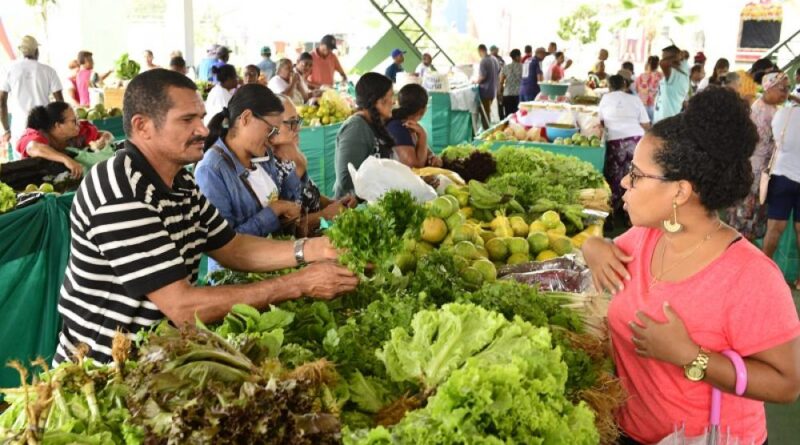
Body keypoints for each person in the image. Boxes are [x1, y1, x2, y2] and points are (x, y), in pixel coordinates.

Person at [52, 69, 358, 366]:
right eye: (188, 120)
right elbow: (182, 305)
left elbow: (232, 246)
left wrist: (312, 250)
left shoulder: (180, 182)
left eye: (200, 117)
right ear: (142, 126)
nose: (202, 129)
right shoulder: (120, 190)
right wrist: (298, 284)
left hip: (155, 359)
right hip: (101, 372)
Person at [582, 86, 800, 445]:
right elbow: (600, 250)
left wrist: (690, 356)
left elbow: (786, 384)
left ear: (680, 191)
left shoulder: (751, 277)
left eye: (636, 175)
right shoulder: (644, 238)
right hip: (628, 430)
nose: (623, 182)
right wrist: (594, 246)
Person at [196, 84, 303, 252]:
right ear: (246, 118)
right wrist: (273, 211)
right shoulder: (211, 170)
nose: (272, 138)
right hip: (238, 274)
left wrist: (297, 168)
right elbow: (223, 244)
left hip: (273, 258)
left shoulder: (263, 155)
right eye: (270, 130)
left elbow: (282, 203)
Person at [271, 94, 357, 236]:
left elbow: (309, 193)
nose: (298, 128)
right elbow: (287, 227)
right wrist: (325, 214)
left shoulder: (292, 155)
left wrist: (334, 203)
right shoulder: (270, 169)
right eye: (291, 123)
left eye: (297, 121)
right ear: (270, 127)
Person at [727, 72, 791, 241]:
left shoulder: (774, 109)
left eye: (788, 88)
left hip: (762, 172)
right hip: (752, 172)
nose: (786, 92)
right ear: (768, 88)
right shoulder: (759, 110)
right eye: (782, 88)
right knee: (745, 218)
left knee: (754, 217)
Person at [333, 72, 394, 199]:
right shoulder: (356, 128)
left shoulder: (374, 123)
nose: (393, 102)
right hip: (352, 208)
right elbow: (346, 180)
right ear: (379, 101)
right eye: (391, 97)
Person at [598, 75, 651, 215]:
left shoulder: (605, 98)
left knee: (614, 177)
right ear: (624, 85)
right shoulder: (634, 99)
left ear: (609, 86)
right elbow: (646, 124)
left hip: (615, 140)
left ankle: (611, 213)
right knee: (634, 176)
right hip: (635, 140)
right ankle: (631, 214)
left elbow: (600, 121)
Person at [15, 101, 111, 178]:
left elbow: (105, 134)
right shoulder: (35, 134)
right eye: (73, 121)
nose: (78, 124)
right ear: (58, 125)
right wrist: (66, 159)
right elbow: (33, 147)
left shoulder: (78, 131)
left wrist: (103, 140)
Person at [0, 36, 63, 150]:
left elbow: (1, 102)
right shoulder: (48, 71)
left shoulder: (9, 71)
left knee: (21, 166)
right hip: (44, 127)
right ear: (36, 51)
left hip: (19, 129)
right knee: (45, 163)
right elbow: (60, 103)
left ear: (21, 51)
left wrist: (6, 129)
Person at [763, 102, 800, 287]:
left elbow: (777, 141)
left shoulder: (784, 113)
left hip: (783, 174)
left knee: (774, 228)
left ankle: (763, 272)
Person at [385, 84, 442, 169]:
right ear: (423, 110)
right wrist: (423, 135)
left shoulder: (411, 126)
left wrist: (433, 157)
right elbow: (415, 167)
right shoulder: (397, 128)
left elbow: (428, 153)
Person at [653, 45, 689, 123]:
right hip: (663, 121)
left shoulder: (676, 76)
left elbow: (663, 63)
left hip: (666, 122)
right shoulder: (677, 72)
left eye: (665, 57)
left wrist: (677, 56)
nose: (662, 59)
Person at [474, 44, 499, 131]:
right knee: (487, 111)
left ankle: (486, 131)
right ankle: (488, 129)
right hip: (493, 90)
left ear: (480, 51)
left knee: (484, 113)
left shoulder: (483, 61)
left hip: (485, 91)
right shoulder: (494, 59)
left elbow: (482, 76)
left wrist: (475, 81)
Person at [635, 56, 663, 122]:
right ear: (658, 65)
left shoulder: (641, 76)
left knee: (644, 125)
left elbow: (636, 89)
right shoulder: (661, 76)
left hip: (643, 104)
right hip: (656, 105)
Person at [498, 49, 522, 118]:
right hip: (519, 95)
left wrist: (500, 93)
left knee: (508, 116)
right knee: (518, 116)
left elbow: (501, 82)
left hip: (507, 94)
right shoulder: (523, 67)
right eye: (520, 55)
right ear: (517, 56)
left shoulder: (505, 67)